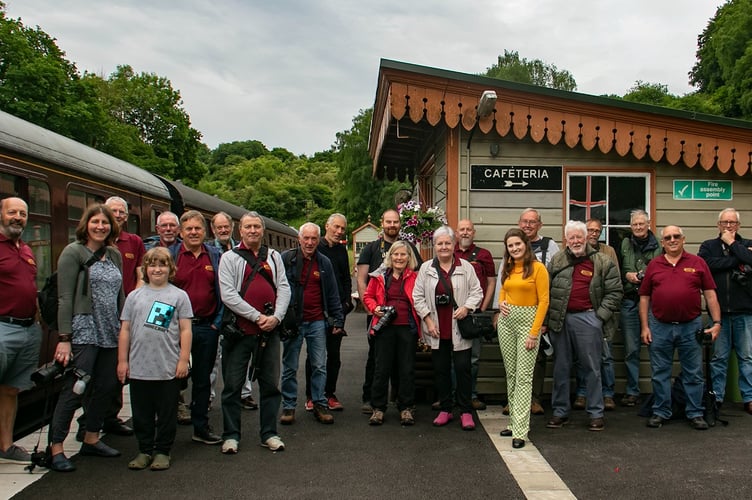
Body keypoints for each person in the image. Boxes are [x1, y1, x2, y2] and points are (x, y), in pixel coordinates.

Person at [48, 204, 125, 472]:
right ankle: (56, 448)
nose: (100, 227)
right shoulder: (73, 252)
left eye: (105, 223)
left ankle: (92, 438)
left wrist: (124, 329)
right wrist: (64, 337)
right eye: (95, 222)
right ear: (86, 224)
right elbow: (65, 297)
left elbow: (120, 295)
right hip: (84, 329)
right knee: (75, 389)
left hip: (111, 331)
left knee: (105, 387)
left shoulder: (114, 255)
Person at [218, 211, 290, 454]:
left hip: (269, 333)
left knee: (271, 384)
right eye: (248, 227)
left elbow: (284, 288)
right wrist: (257, 316)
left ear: (263, 230)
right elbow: (228, 294)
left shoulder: (273, 256)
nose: (252, 231)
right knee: (233, 385)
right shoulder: (229, 258)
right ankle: (231, 435)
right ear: (241, 230)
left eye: (256, 227)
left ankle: (269, 433)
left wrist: (276, 317)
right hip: (240, 331)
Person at [640, 225, 722, 430]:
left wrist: (717, 323)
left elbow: (710, 294)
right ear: (662, 242)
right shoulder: (654, 265)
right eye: (667, 237)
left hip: (690, 326)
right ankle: (661, 411)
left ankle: (695, 413)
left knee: (693, 373)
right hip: (659, 326)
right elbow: (644, 297)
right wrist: (645, 327)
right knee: (660, 372)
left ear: (684, 239)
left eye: (676, 236)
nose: (672, 240)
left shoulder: (698, 263)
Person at [117, 247, 192, 471]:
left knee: (167, 412)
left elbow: (186, 329)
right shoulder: (134, 296)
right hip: (140, 367)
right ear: (145, 269)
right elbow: (125, 330)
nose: (157, 269)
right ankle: (144, 449)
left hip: (167, 367)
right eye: (152, 265)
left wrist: (183, 360)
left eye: (162, 265)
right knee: (142, 413)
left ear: (170, 269)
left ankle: (162, 450)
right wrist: (123, 361)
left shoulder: (178, 296)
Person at [545, 221, 622, 432]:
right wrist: (546, 321)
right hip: (560, 320)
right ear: (566, 240)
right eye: (572, 238)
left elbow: (615, 292)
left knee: (592, 368)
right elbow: (545, 292)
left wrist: (599, 317)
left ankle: (596, 412)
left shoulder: (602, 261)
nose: (576, 241)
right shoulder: (557, 260)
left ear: (587, 237)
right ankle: (560, 412)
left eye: (579, 237)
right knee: (561, 368)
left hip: (589, 318)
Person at [413, 225, 483, 430]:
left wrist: (466, 307)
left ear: (454, 245)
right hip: (436, 327)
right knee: (441, 369)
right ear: (434, 246)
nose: (443, 247)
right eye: (439, 243)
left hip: (458, 327)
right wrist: (427, 320)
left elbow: (477, 292)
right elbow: (417, 297)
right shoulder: (426, 268)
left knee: (463, 369)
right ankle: (445, 409)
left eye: (447, 243)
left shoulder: (466, 267)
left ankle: (465, 411)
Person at [356, 208, 422, 414]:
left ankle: (402, 402)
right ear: (382, 223)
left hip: (406, 323)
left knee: (405, 365)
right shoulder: (371, 248)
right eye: (388, 222)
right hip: (378, 316)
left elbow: (419, 279)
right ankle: (372, 401)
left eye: (395, 222)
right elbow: (362, 279)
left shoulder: (409, 247)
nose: (392, 225)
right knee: (377, 362)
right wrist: (370, 309)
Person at [495, 208, 559, 415]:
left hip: (539, 310)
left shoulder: (550, 247)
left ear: (539, 225)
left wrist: (544, 319)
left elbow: (553, 285)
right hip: (512, 314)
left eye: (533, 222)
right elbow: (502, 283)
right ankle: (514, 404)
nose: (528, 225)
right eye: (525, 221)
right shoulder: (510, 255)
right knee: (513, 367)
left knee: (537, 360)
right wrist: (499, 306)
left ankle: (535, 399)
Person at [168, 210, 224, 445]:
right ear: (181, 233)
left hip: (205, 326)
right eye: (188, 229)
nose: (193, 232)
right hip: (173, 329)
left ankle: (200, 426)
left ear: (205, 232)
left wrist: (216, 324)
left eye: (197, 228)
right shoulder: (171, 255)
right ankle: (165, 430)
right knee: (170, 379)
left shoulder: (215, 256)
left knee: (202, 380)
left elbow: (224, 291)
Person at [280, 223, 344, 425]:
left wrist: (338, 319)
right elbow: (278, 289)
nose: (309, 242)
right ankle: (289, 407)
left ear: (318, 239)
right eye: (306, 238)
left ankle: (319, 403)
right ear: (299, 239)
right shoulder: (287, 259)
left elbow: (333, 293)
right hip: (294, 321)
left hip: (317, 321)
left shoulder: (324, 262)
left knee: (319, 365)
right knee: (290, 366)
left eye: (313, 239)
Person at [496, 228, 549, 448]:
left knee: (525, 377)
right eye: (510, 245)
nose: (515, 248)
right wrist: (501, 302)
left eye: (518, 244)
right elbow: (504, 288)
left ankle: (521, 429)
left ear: (525, 245)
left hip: (528, 322)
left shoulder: (538, 268)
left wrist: (534, 333)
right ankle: (512, 422)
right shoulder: (508, 267)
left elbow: (544, 301)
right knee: (512, 374)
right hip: (507, 322)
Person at [698, 208, 752, 415]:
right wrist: (739, 259)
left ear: (738, 225)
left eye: (732, 223)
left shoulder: (746, 244)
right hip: (718, 313)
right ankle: (717, 398)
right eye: (724, 223)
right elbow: (707, 265)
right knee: (719, 357)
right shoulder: (709, 246)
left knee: (746, 357)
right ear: (718, 225)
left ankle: (749, 398)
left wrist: (732, 244)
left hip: (745, 310)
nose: (728, 226)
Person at [0, 197, 41, 464]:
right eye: (12, 212)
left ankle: (5, 445)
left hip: (27, 328)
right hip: (2, 326)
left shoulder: (25, 249)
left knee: (11, 389)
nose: (18, 217)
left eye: (22, 213)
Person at [363, 241, 420, 426]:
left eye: (403, 255)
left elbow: (420, 298)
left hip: (407, 327)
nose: (399, 258)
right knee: (381, 369)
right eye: (396, 254)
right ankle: (378, 408)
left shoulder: (415, 277)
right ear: (390, 256)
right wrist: (375, 308)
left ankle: (406, 408)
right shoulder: (379, 276)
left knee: (406, 369)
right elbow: (367, 296)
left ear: (409, 257)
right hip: (385, 328)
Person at [304, 213, 353, 411]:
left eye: (342, 228)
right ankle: (311, 395)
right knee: (315, 357)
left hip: (337, 311)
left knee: (334, 356)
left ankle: (329, 393)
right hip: (317, 311)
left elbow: (346, 279)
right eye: (336, 227)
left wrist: (346, 304)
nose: (339, 231)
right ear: (327, 226)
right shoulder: (316, 247)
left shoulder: (342, 250)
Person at [572, 218, 619, 411]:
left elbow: (615, 285)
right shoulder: (574, 253)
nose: (593, 234)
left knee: (605, 356)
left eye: (596, 231)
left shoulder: (608, 253)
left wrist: (601, 315)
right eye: (589, 230)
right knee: (583, 357)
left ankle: (608, 394)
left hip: (601, 316)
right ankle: (582, 392)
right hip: (581, 315)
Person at [208, 212, 254, 410]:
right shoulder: (209, 251)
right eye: (219, 228)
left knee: (242, 356)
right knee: (213, 361)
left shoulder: (241, 249)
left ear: (232, 227)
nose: (223, 230)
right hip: (217, 312)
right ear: (213, 229)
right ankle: (208, 399)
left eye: (226, 226)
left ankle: (244, 393)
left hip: (239, 313)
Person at [619, 209, 662, 407]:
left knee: (656, 347)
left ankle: (658, 392)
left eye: (641, 224)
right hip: (629, 299)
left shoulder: (658, 245)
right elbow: (620, 268)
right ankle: (632, 391)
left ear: (648, 224)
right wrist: (626, 275)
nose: (638, 227)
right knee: (631, 349)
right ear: (631, 226)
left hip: (653, 301)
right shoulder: (625, 243)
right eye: (635, 224)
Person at [455, 219, 496, 411]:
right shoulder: (449, 252)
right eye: (462, 229)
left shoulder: (484, 255)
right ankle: (452, 395)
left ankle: (470, 395)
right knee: (451, 357)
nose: (465, 232)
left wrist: (483, 307)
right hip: (453, 314)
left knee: (473, 358)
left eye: (468, 230)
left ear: (474, 232)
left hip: (474, 314)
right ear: (457, 232)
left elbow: (491, 282)